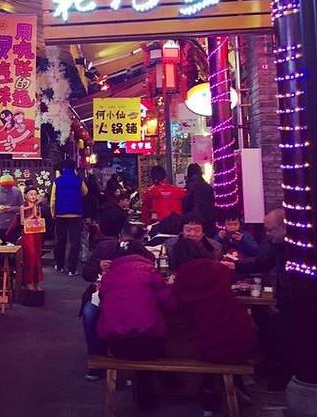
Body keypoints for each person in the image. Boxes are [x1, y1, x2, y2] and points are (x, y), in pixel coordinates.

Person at [171, 238, 256, 414]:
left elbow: (173, 304)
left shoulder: (182, 277)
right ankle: (228, 387)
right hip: (241, 333)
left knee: (202, 347)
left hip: (210, 341)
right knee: (220, 350)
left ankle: (208, 394)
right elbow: (232, 278)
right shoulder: (217, 267)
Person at [95, 241, 177, 408]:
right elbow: (170, 305)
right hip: (149, 343)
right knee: (149, 338)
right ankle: (160, 386)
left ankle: (152, 390)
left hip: (115, 343)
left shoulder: (108, 277)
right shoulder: (151, 274)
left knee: (139, 336)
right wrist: (169, 287)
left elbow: (103, 301)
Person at [223, 208, 291, 390]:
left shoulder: (295, 245)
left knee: (283, 331)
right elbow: (262, 261)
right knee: (272, 325)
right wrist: (236, 265)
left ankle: (286, 374)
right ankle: (276, 366)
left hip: (295, 296)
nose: (267, 234)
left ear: (285, 226)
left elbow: (260, 258)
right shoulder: (275, 242)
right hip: (284, 294)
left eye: (270, 229)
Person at [51, 159, 88, 276]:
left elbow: (53, 200)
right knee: (74, 242)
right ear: (74, 168)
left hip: (60, 214)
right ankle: (72, 269)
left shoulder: (57, 181)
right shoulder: (79, 180)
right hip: (76, 215)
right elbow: (85, 192)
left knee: (60, 241)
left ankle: (60, 265)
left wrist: (53, 214)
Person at [0, 173, 24, 242]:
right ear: (0, 184)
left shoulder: (17, 191)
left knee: (13, 246)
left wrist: (11, 209)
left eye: (9, 187)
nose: (6, 189)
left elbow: (22, 208)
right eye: (4, 187)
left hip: (13, 226)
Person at [20, 184, 44, 291]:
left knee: (37, 256)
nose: (33, 196)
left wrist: (36, 214)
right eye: (30, 194)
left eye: (35, 194)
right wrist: (32, 214)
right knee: (30, 256)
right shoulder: (23, 207)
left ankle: (36, 281)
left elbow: (40, 219)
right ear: (25, 196)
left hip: (37, 232)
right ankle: (28, 281)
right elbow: (22, 222)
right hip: (27, 234)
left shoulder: (38, 206)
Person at [183, 163, 217, 236]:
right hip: (209, 218)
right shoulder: (207, 186)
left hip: (194, 219)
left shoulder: (189, 186)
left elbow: (186, 204)